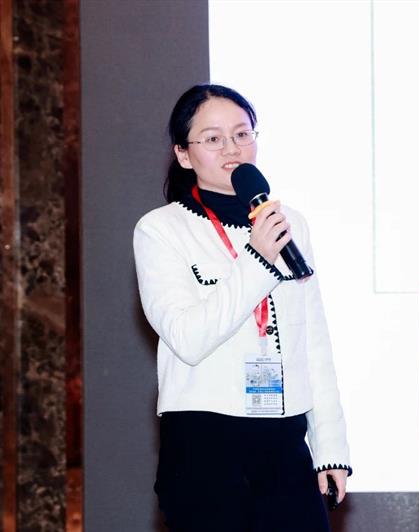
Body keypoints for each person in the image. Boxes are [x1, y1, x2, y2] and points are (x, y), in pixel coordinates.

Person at [133, 84, 351, 531]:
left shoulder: (288, 223)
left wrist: (330, 448)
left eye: (242, 134)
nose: (232, 149)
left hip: (284, 440)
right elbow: (189, 338)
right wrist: (257, 259)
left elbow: (312, 341)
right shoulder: (160, 230)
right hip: (204, 444)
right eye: (213, 138)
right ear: (184, 154)